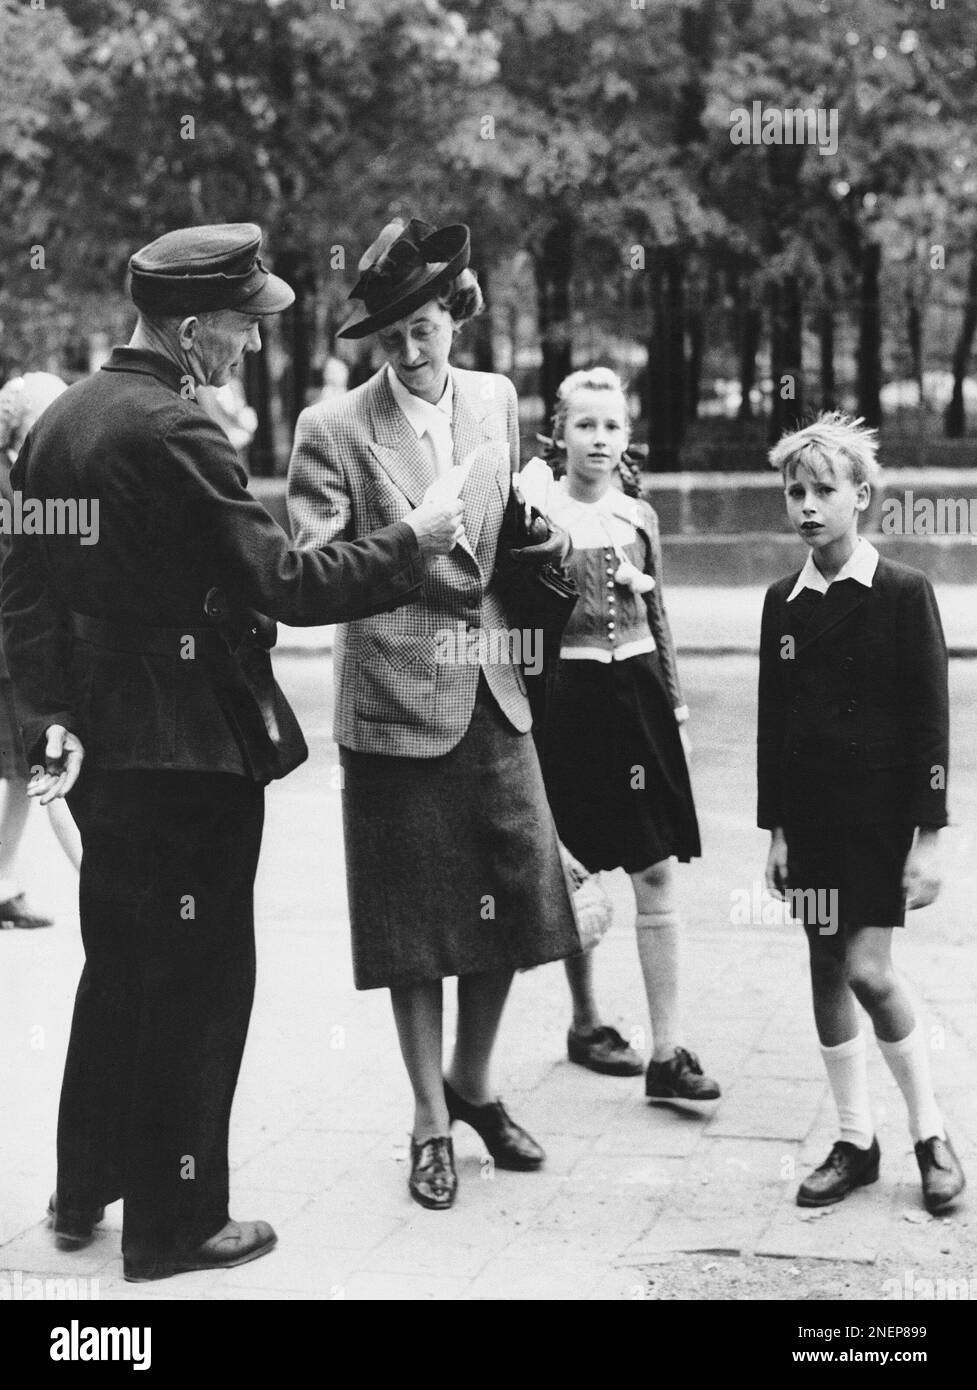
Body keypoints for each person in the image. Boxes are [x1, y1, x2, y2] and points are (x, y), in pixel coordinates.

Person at [0, 222, 463, 1281]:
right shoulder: (177, 429)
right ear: (192, 323)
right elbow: (288, 584)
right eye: (245, 325)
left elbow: (21, 594)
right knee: (199, 980)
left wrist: (48, 718)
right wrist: (418, 539)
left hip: (107, 750)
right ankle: (175, 1224)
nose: (253, 344)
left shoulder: (59, 422)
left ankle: (82, 1193)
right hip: (194, 754)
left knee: (117, 964)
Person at [287, 216, 580, 1211]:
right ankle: (425, 1119)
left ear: (456, 313)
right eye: (395, 334)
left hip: (493, 688)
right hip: (395, 701)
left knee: (510, 902)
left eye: (428, 327)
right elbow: (317, 573)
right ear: (375, 337)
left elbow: (511, 526)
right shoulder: (330, 428)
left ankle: (473, 1083)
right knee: (412, 924)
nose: (414, 351)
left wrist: (547, 551)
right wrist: (411, 542)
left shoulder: (496, 397)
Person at [758, 411, 965, 1213]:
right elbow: (773, 725)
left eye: (823, 490)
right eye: (794, 491)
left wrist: (930, 837)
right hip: (809, 823)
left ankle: (928, 1132)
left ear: (861, 496)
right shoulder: (783, 601)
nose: (807, 505)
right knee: (822, 968)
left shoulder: (902, 593)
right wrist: (774, 831)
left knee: (868, 973)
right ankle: (854, 1140)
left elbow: (930, 721)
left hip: (879, 822)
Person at [518, 367, 720, 1103]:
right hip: (567, 701)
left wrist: (676, 709)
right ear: (559, 435)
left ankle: (667, 1052)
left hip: (636, 696)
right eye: (584, 425)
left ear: (626, 437)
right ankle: (586, 1020)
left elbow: (659, 619)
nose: (598, 439)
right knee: (578, 869)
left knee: (655, 868)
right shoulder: (535, 511)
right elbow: (518, 627)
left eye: (611, 426)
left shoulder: (638, 517)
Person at [0, 373, 83, 927]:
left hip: (22, 650)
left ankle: (3, 883)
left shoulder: (33, 480)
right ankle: (109, 886)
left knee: (25, 776)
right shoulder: (13, 486)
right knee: (44, 766)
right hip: (13, 654)